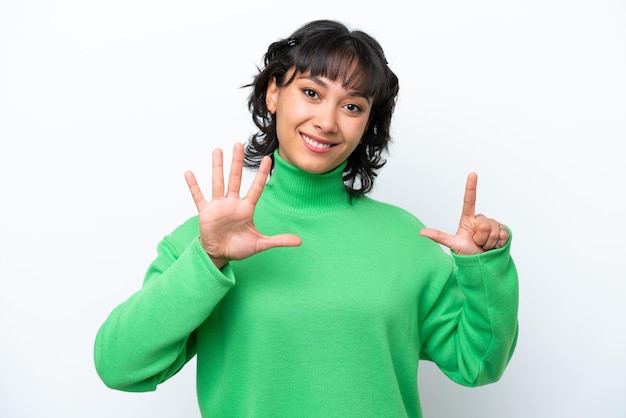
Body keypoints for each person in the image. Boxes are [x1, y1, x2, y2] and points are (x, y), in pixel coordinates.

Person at [94, 19, 519, 418]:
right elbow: (120, 366)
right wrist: (208, 260)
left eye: (352, 106)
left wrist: (484, 269)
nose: (327, 122)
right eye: (312, 93)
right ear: (273, 93)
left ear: (368, 122)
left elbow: (478, 364)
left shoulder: (408, 239)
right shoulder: (206, 238)